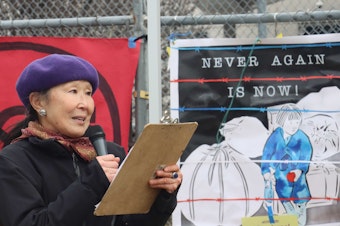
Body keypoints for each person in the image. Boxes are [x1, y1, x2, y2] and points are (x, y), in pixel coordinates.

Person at [0, 54, 182, 226]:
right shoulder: (13, 162)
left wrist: (161, 194)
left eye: (88, 93)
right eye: (73, 91)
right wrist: (90, 185)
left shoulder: (111, 154)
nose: (85, 104)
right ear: (38, 102)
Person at [261, 103, 312, 226]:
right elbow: (266, 155)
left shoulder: (302, 138)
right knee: (284, 196)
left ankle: (300, 215)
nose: (294, 126)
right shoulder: (275, 136)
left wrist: (300, 170)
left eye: (297, 122)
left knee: (300, 198)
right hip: (281, 177)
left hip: (297, 176)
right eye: (290, 122)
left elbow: (306, 155)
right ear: (282, 121)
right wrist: (267, 173)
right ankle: (290, 213)